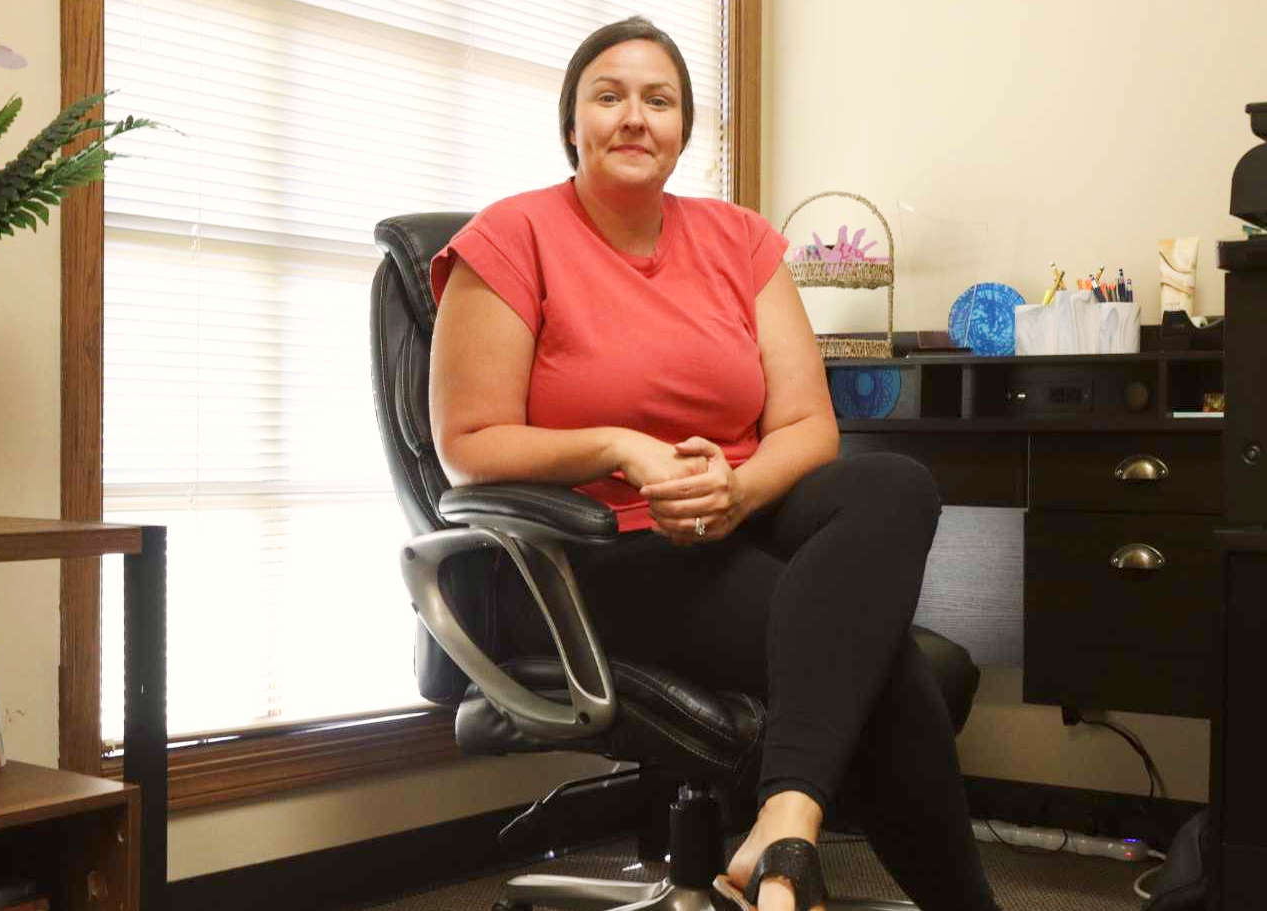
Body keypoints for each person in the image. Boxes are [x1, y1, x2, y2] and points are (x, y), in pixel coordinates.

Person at [426, 16, 1001, 911]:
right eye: (608, 96)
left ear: (684, 131)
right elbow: (467, 448)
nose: (633, 118)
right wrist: (622, 448)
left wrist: (739, 491)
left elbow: (809, 423)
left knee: (895, 481)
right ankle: (850, 869)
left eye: (659, 101)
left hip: (740, 520)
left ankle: (783, 821)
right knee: (884, 665)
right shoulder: (512, 237)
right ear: (570, 122)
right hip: (599, 553)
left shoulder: (739, 241)